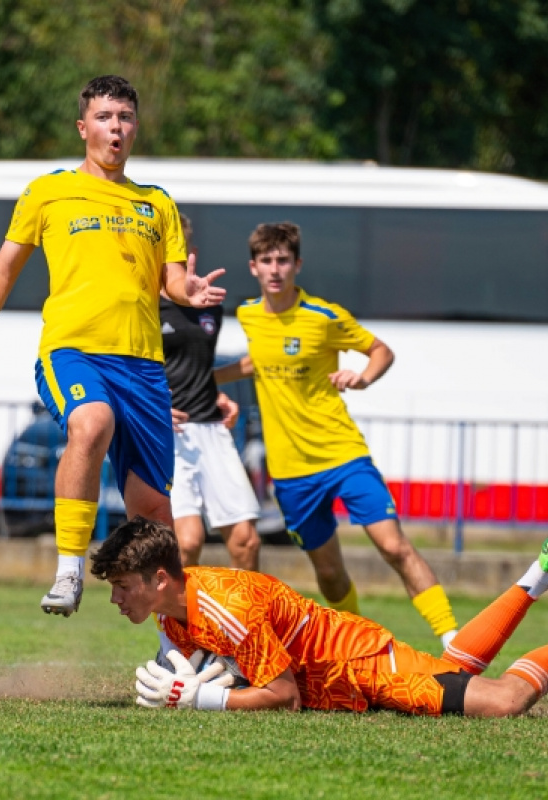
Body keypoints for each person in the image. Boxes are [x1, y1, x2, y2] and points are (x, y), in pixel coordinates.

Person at [0, 75, 226, 616]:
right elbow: (5, 267)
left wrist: (186, 290)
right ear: (84, 127)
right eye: (105, 117)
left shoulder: (157, 203)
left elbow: (171, 280)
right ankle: (68, 572)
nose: (116, 128)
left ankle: (181, 646)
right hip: (74, 350)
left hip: (145, 367)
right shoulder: (48, 191)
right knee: (91, 422)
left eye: (125, 118)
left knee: (155, 516)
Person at [214, 222, 458, 648]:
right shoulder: (249, 315)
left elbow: (382, 351)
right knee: (328, 572)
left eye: (283, 260)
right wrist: (205, 380)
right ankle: (363, 646)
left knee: (393, 546)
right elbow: (258, 361)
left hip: (343, 454)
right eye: (267, 261)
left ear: (297, 265)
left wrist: (362, 378)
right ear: (253, 267)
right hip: (291, 472)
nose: (275, 269)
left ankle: (455, 641)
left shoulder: (324, 317)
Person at [92, 515, 548, 716]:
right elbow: (212, 667)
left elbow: (284, 697)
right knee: (457, 670)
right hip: (338, 667)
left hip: (361, 668)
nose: (115, 599)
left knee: (503, 702)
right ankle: (539, 573)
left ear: (159, 579)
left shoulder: (228, 610)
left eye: (123, 586)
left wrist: (200, 699)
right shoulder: (172, 607)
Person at [161, 214, 261, 570]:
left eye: (180, 251)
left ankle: (244, 625)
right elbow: (128, 370)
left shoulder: (210, 305)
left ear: (193, 252)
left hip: (211, 428)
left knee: (246, 541)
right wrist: (151, 406)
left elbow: (193, 365)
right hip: (166, 431)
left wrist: (214, 393)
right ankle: (175, 628)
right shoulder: (141, 306)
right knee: (186, 544)